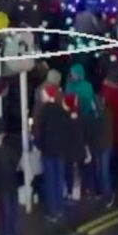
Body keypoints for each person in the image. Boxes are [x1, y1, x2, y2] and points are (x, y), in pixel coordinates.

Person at [34, 84, 69, 222]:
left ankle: (52, 211)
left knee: (50, 181)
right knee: (59, 180)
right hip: (60, 150)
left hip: (48, 151)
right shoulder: (61, 110)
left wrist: (38, 145)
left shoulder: (43, 112)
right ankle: (60, 209)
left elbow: (39, 132)